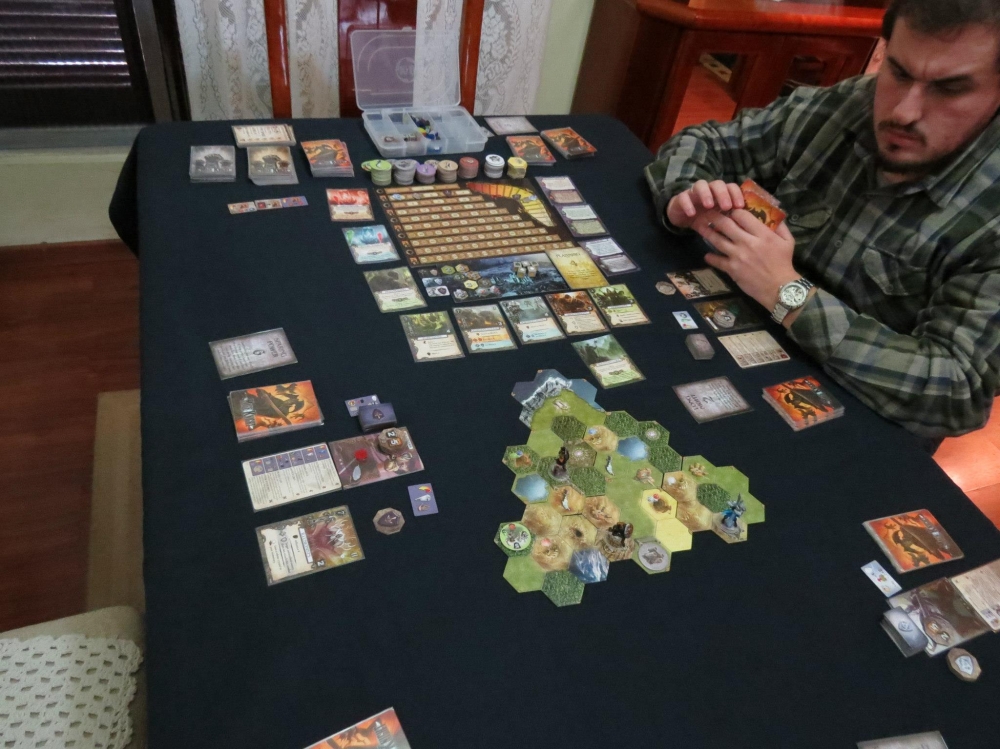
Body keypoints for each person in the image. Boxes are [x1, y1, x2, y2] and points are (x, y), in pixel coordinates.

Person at [645, 0, 1000, 441]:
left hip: (857, 422)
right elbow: (705, 141)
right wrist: (685, 195)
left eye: (949, 89)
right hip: (738, 338)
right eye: (899, 72)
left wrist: (789, 295)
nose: (904, 112)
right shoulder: (851, 102)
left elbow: (958, 391)